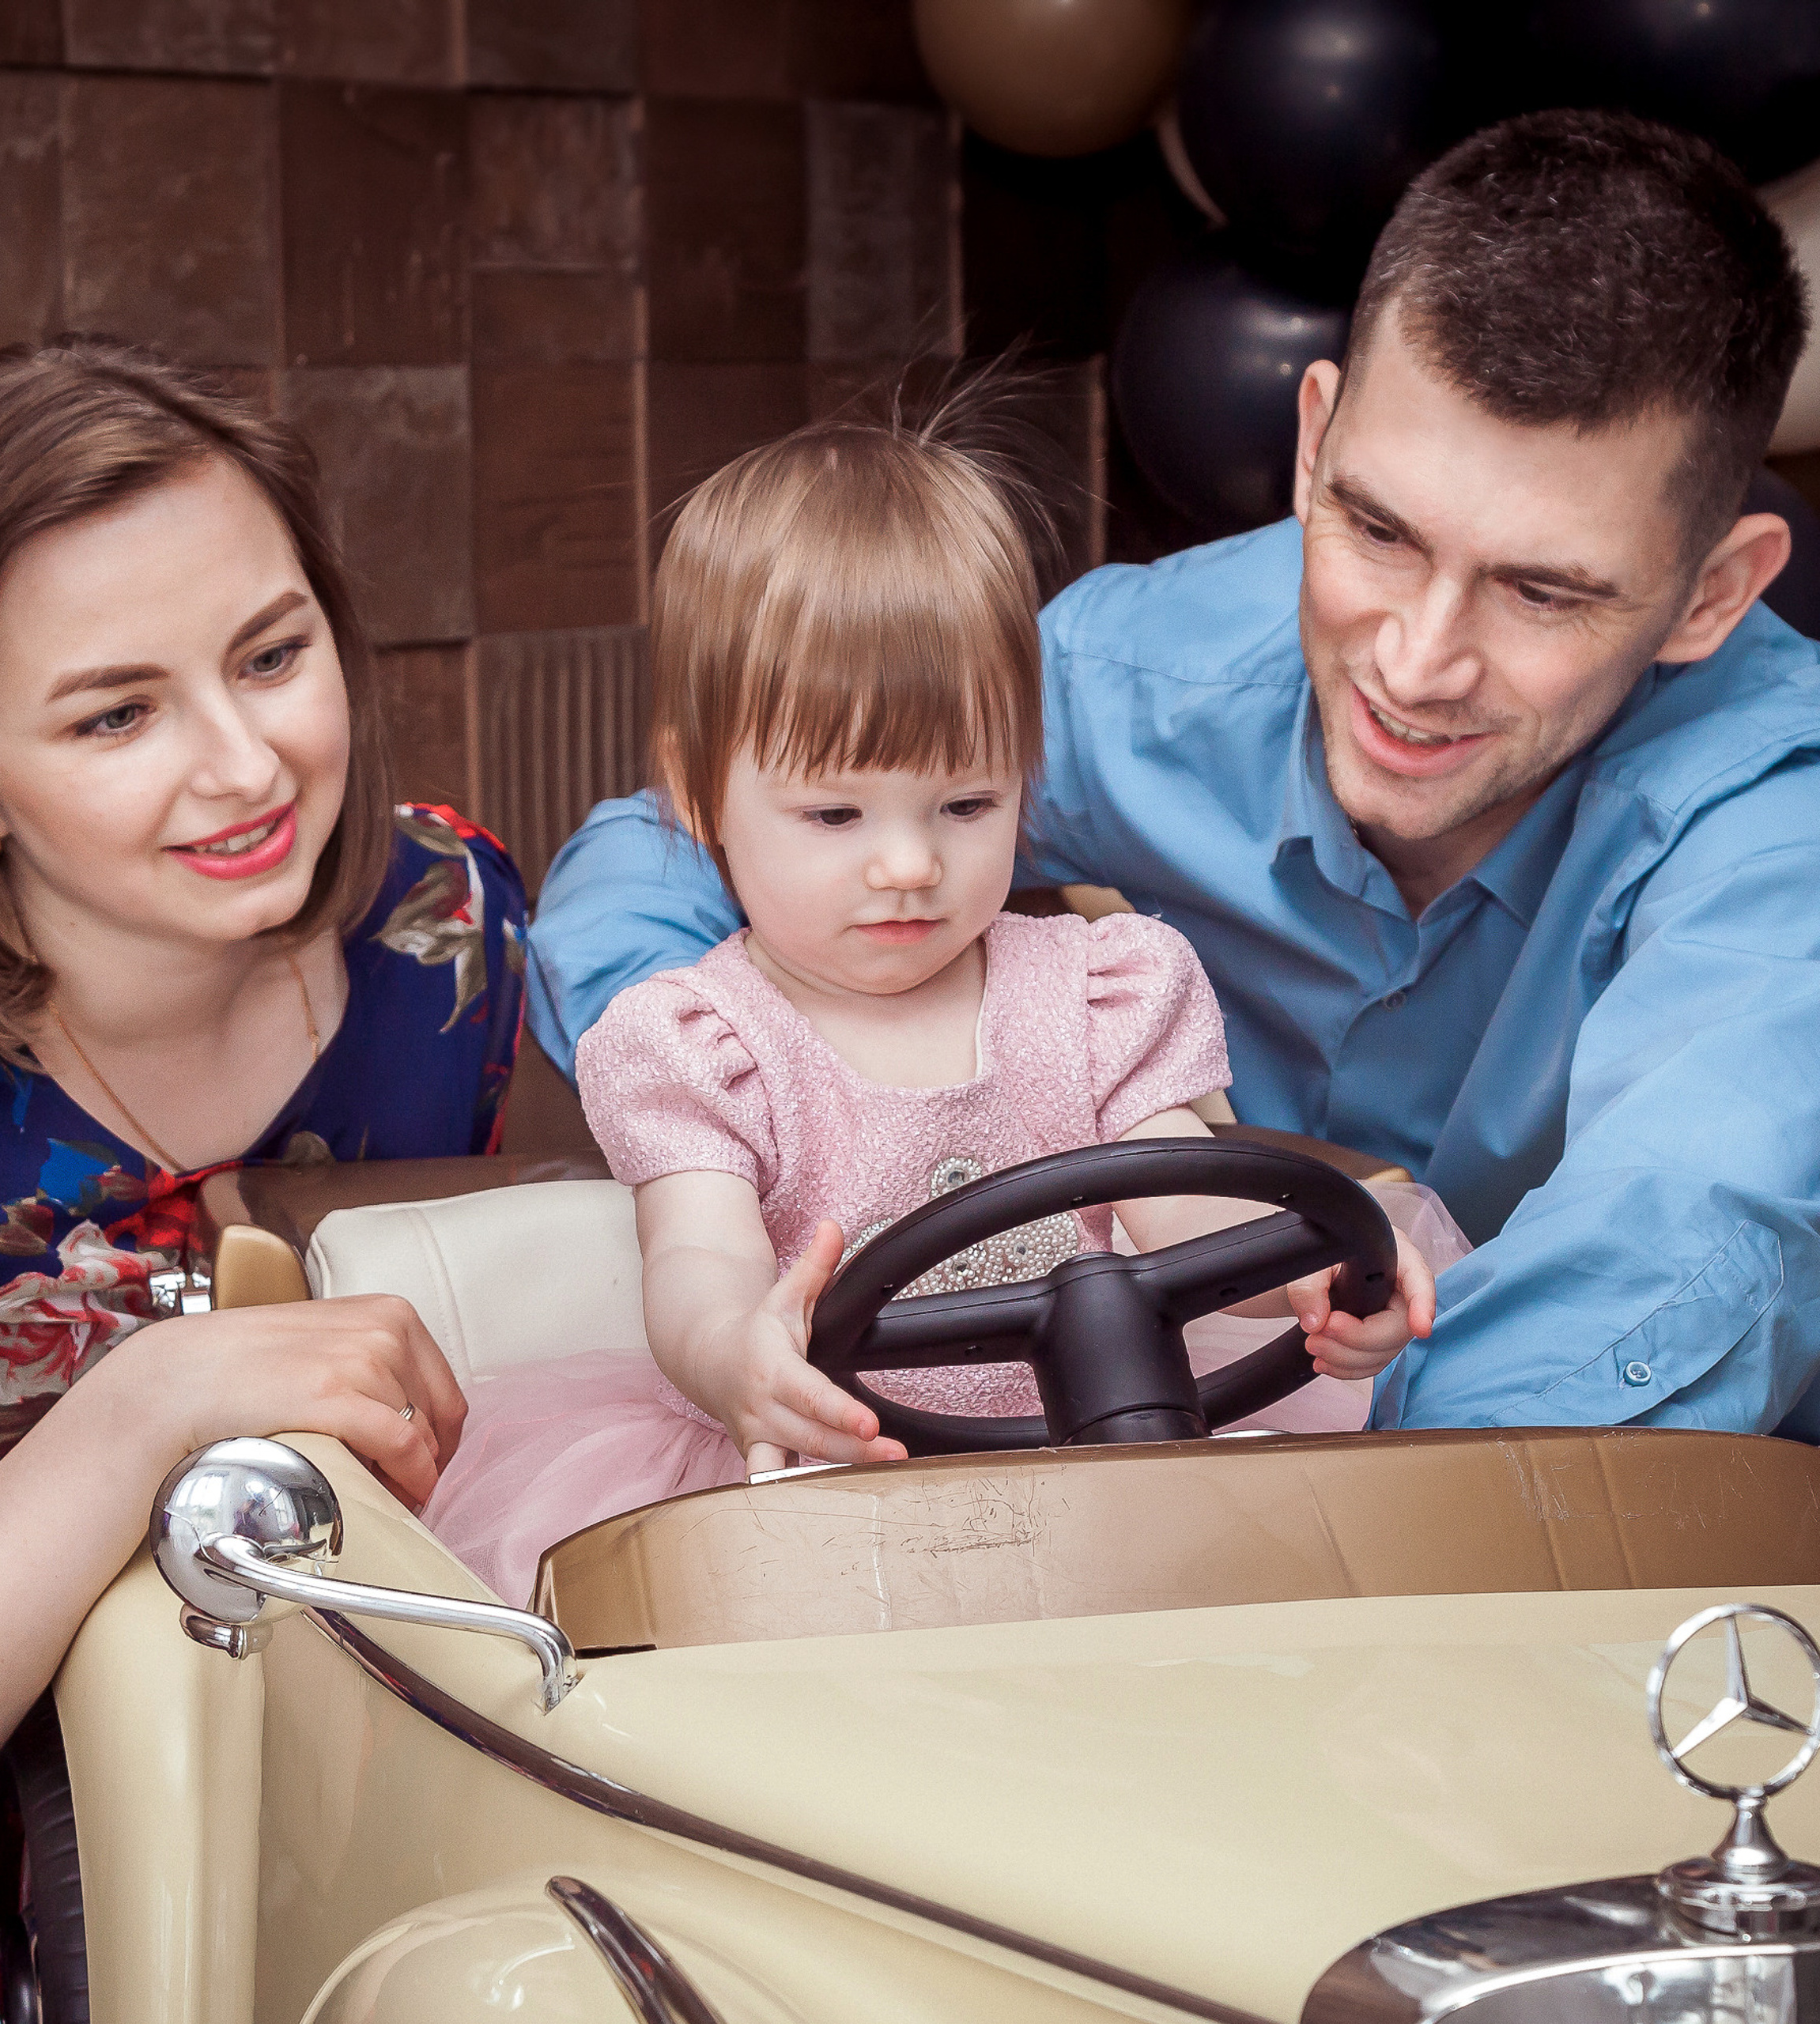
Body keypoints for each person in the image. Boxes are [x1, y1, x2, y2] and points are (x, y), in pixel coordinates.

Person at [527, 109, 1820, 1441]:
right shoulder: (1151, 680)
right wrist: (745, 1092)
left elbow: (1678, 1248)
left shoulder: (1781, 838)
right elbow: (666, 848)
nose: (1419, 663)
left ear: (1710, 595)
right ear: (1313, 444)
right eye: (1377, 528)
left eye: (1544, 593)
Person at [423, 397, 1453, 1606]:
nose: (909, 864)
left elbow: (1177, 1190)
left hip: (1109, 1458)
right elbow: (697, 1258)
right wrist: (738, 1358)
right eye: (835, 816)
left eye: (965, 806)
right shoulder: (703, 1045)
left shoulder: (1094, 988)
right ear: (698, 799)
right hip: (839, 1484)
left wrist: (1306, 1280)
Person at [0, 340, 523, 2012]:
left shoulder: (444, 937)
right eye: (117, 710)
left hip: (318, 1839)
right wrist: (139, 1407)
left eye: (270, 655)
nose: (244, 766)